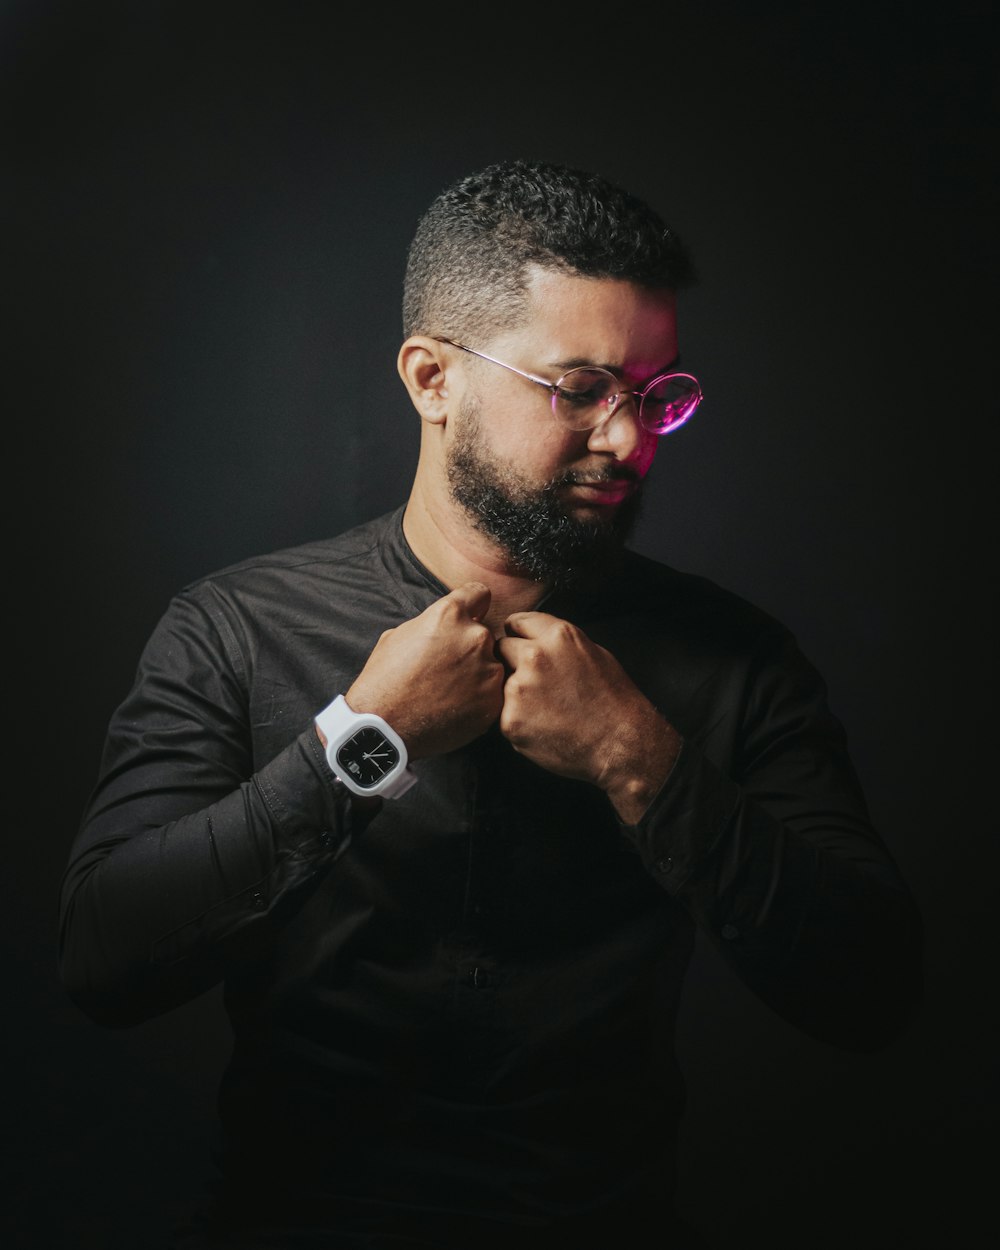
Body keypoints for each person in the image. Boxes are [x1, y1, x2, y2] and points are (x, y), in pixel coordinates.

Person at [58, 159, 923, 1250]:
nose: (629, 440)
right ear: (431, 378)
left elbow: (874, 990)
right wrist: (362, 742)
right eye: (580, 389)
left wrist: (638, 759)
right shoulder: (233, 627)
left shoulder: (734, 658)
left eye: (657, 396)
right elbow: (103, 957)